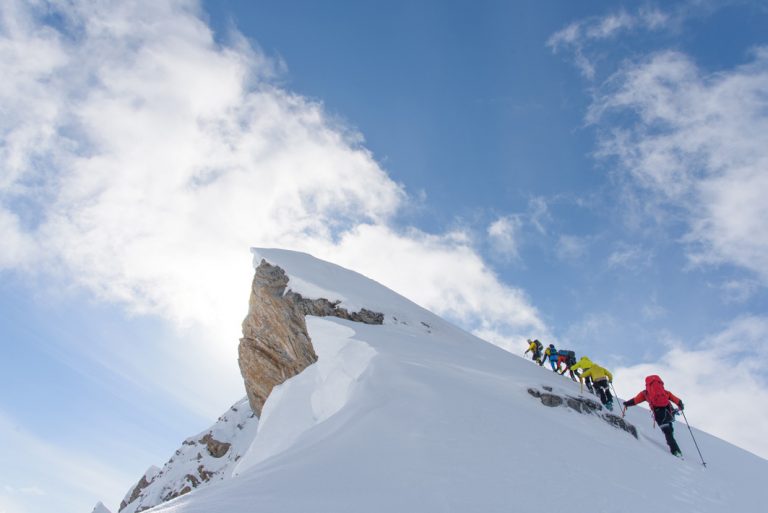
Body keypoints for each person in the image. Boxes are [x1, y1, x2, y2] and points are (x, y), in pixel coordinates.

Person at [623, 375, 684, 457]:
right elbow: (677, 400)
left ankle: (676, 451)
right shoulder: (665, 392)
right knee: (669, 429)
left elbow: (635, 400)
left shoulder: (645, 393)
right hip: (668, 412)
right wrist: (680, 405)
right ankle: (673, 444)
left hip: (659, 414)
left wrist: (626, 403)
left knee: (667, 432)